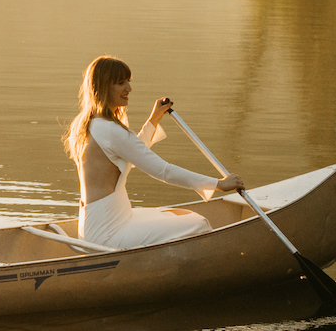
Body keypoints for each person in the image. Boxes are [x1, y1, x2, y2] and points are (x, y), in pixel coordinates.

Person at [65, 55, 243, 249]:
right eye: (120, 83)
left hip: (100, 224)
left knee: (179, 215)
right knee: (199, 224)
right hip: (108, 232)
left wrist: (154, 119)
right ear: (102, 87)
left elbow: (132, 153)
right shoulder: (110, 130)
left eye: (128, 81)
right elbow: (163, 171)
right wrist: (218, 184)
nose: (129, 89)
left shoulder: (90, 123)